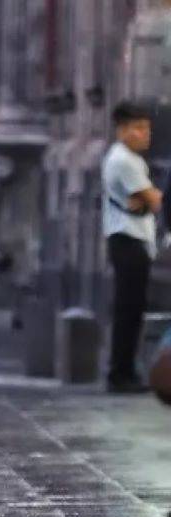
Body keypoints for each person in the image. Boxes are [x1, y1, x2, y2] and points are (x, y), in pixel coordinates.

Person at [103, 100, 161, 394]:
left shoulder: (134, 160)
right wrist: (150, 197)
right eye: (138, 128)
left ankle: (125, 369)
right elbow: (154, 200)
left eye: (147, 128)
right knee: (128, 310)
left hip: (136, 239)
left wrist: (148, 198)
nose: (145, 134)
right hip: (127, 240)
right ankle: (120, 373)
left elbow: (148, 199)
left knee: (134, 308)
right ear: (122, 130)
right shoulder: (122, 160)